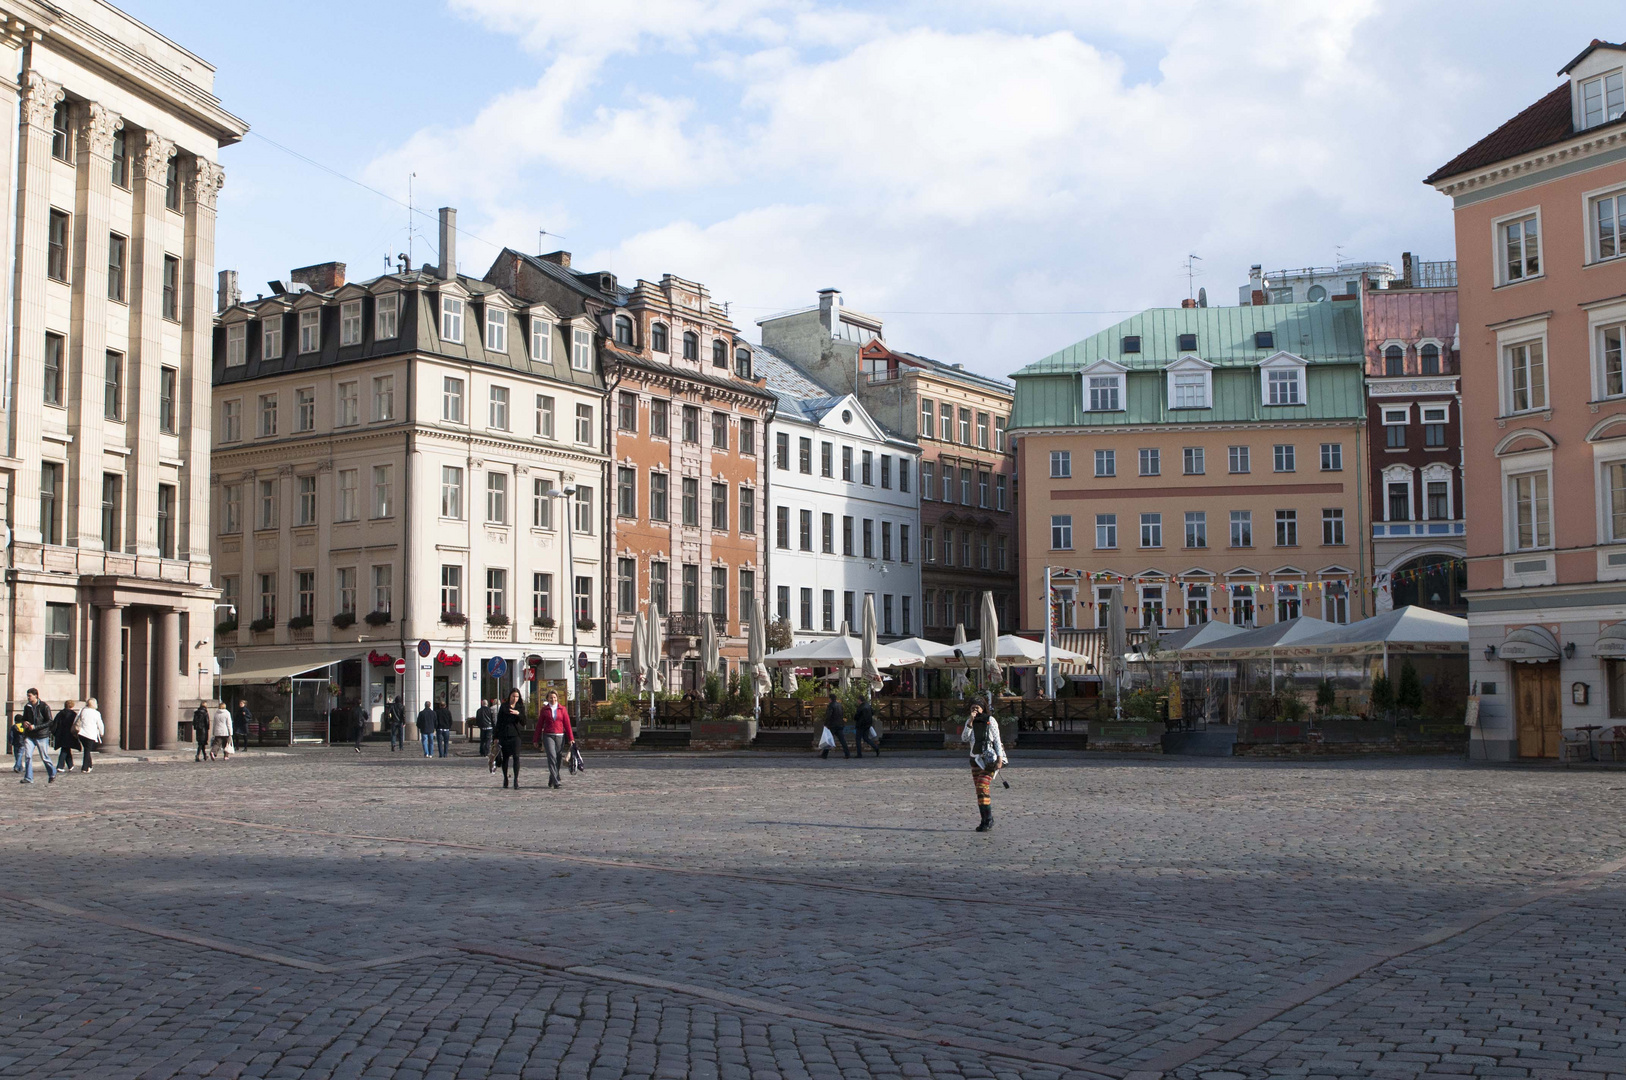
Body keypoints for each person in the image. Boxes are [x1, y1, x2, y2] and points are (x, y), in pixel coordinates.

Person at [961, 702, 1007, 833]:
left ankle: (988, 819)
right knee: (980, 791)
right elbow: (964, 738)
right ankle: (985, 819)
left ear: (983, 708)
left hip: (989, 760)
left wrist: (999, 758)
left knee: (982, 785)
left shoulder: (990, 720)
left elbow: (997, 740)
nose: (975, 709)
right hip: (975, 759)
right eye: (972, 707)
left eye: (978, 707)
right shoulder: (969, 721)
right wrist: (970, 721)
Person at [532, 690, 574, 789]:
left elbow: (567, 725)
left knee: (558, 758)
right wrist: (535, 739)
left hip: (560, 735)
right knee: (552, 756)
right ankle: (556, 780)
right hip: (548, 735)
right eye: (551, 697)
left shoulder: (562, 709)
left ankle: (552, 777)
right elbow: (539, 725)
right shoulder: (545, 710)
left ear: (557, 698)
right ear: (547, 699)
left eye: (554, 697)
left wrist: (571, 738)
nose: (553, 699)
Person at [16, 689, 57, 784]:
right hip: (29, 735)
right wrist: (24, 722)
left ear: (36, 696)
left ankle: (52, 773)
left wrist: (36, 727)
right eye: (27, 695)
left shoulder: (44, 706)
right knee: (28, 756)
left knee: (44, 756)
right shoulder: (27, 707)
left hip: (41, 735)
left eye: (30, 695)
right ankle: (28, 777)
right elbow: (24, 718)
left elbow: (50, 721)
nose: (28, 697)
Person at [494, 689, 526, 789]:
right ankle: (505, 778)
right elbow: (498, 722)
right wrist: (495, 736)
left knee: (516, 757)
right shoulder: (504, 706)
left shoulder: (520, 707)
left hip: (515, 735)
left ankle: (516, 779)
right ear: (509, 696)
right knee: (505, 758)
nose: (515, 698)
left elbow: (524, 722)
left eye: (517, 696)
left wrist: (518, 713)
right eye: (513, 696)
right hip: (504, 735)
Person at [75, 698, 105, 774]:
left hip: (81, 733)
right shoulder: (96, 713)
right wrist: (102, 733)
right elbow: (100, 724)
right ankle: (85, 767)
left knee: (86, 749)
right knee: (87, 751)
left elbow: (76, 720)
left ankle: (90, 765)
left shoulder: (82, 710)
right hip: (90, 734)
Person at [53, 700, 79, 773]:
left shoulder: (60, 714)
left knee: (66, 749)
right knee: (65, 749)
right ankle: (60, 766)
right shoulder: (73, 714)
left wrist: (55, 733)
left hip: (61, 734)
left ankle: (70, 765)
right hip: (69, 734)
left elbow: (55, 724)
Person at [821, 692, 849, 760]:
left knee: (828, 740)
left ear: (830, 699)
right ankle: (847, 753)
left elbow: (828, 715)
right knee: (842, 740)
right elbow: (842, 714)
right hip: (840, 724)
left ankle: (824, 754)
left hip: (832, 725)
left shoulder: (831, 705)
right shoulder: (839, 705)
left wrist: (826, 724)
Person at [853, 694, 880, 758]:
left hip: (860, 725)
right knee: (866, 738)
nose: (857, 701)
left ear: (860, 700)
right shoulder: (868, 706)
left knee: (858, 739)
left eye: (858, 700)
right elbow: (873, 712)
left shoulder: (860, 707)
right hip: (868, 725)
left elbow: (856, 716)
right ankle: (876, 747)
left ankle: (859, 754)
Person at [476, 698, 496, 763]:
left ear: (482, 703)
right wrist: (493, 726)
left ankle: (482, 752)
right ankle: (487, 752)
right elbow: (492, 719)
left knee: (482, 740)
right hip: (489, 727)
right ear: (487, 704)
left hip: (482, 727)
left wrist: (479, 726)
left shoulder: (479, 710)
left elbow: (477, 719)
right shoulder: (489, 710)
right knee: (488, 740)